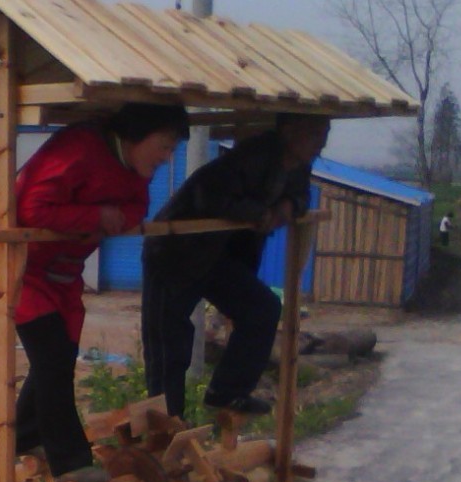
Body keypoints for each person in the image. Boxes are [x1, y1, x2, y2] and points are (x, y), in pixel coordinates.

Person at [0, 103, 190, 482]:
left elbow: (137, 208)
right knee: (52, 359)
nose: (167, 158)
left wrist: (112, 216)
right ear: (135, 134)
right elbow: (30, 209)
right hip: (23, 269)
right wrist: (96, 217)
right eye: (164, 146)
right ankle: (71, 462)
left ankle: (25, 435)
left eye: (172, 150)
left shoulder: (132, 169)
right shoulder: (79, 149)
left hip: (66, 273)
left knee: (59, 357)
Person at [141, 113, 331, 420]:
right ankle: (167, 423)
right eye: (315, 134)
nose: (321, 143)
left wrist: (286, 207)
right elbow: (211, 196)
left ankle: (227, 392)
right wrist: (259, 213)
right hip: (175, 250)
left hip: (216, 254)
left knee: (263, 308)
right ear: (288, 130)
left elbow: (300, 196)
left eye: (325, 133)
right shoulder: (254, 155)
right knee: (168, 345)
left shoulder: (297, 164)